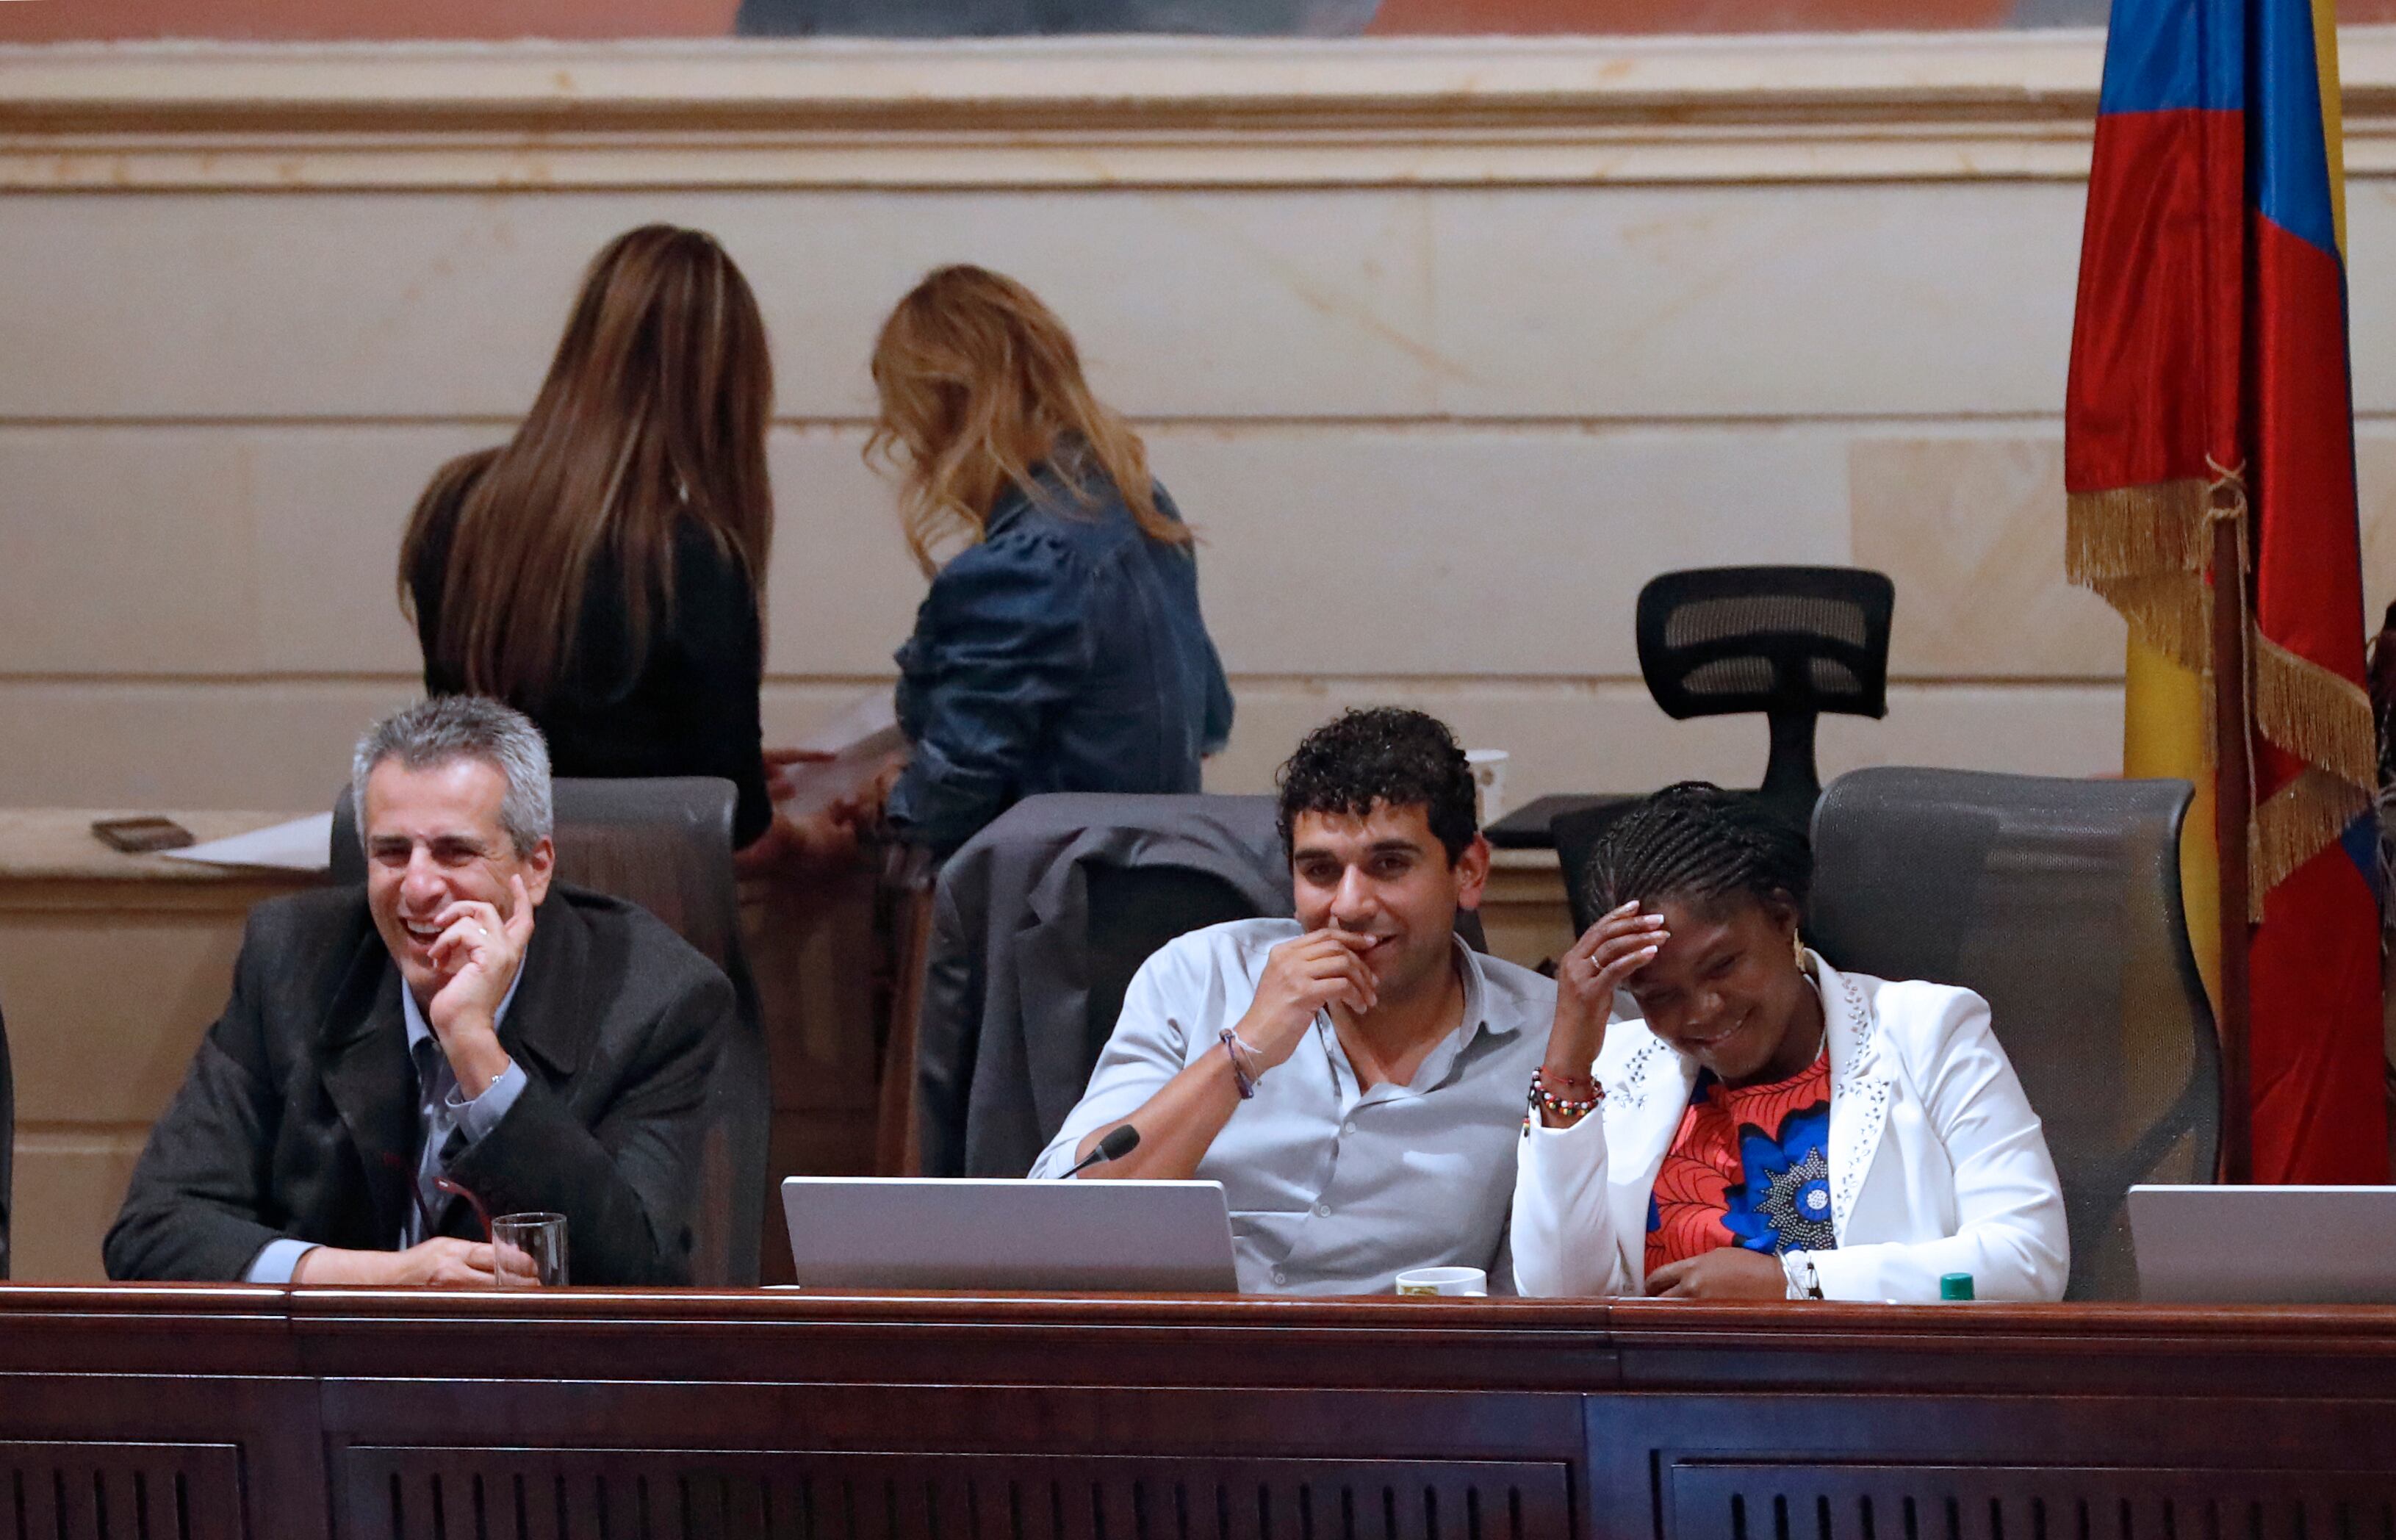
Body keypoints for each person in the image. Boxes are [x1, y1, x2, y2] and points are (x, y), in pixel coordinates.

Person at [105, 697, 735, 1287]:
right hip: (331, 1384)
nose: (418, 887)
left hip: (540, 1388)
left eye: (454, 852)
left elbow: (630, 1276)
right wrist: (387, 1279)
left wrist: (473, 1047)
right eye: (391, 852)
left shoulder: (658, 1000)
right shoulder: (293, 960)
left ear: (534, 868)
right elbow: (152, 1233)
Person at [1030, 708, 1551, 1295]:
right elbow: (1064, 1218)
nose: (1350, 905)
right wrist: (1243, 1052)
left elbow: (1552, 1294)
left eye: (1389, 865)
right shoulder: (1198, 975)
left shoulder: (1552, 1036)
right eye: (1321, 871)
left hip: (1398, 1375)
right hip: (1187, 1358)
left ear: (1469, 871)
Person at [399, 224, 855, 872]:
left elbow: (525, 758)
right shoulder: (692, 558)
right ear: (723, 389)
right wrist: (816, 842)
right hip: (641, 942)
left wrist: (694, 773)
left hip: (486, 924)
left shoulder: (457, 509)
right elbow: (739, 841)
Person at [1512, 782, 2068, 1302]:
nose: (1702, 1011)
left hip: (1884, 1395)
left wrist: (1795, 1283)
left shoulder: (1927, 1031)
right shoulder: (1613, 1070)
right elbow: (1558, 1298)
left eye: (1723, 965)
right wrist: (1566, 1065)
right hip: (1673, 1401)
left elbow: (2028, 1257)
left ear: (1782, 919)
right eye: (1658, 995)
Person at [854, 264, 1234, 859]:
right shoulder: (1140, 506)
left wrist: (892, 799)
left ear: (946, 409)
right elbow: (1211, 718)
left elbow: (954, 786)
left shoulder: (1029, 563)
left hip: (1053, 907)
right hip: (1160, 880)